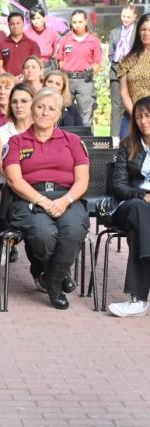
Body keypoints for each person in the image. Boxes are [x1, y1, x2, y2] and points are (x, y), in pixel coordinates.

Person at [3, 88, 89, 310]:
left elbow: (82, 180)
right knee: (44, 233)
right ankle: (59, 274)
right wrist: (42, 200)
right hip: (28, 198)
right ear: (32, 109)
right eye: (40, 107)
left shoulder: (72, 140)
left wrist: (65, 201)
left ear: (59, 113)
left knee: (73, 230)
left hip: (66, 197)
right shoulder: (16, 142)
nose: (44, 112)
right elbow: (14, 180)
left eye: (51, 108)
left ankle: (51, 279)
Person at [107, 95, 150, 317]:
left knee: (139, 229)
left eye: (148, 116)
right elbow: (119, 186)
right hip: (127, 206)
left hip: (141, 221)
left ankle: (138, 299)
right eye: (139, 116)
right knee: (138, 209)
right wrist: (143, 194)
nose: (143, 121)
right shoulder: (128, 145)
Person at [56, 9, 102, 127]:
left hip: (85, 81)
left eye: (80, 22)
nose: (77, 25)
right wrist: (65, 74)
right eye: (74, 22)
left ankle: (87, 143)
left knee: (86, 116)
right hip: (67, 81)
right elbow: (60, 59)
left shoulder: (94, 41)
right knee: (64, 114)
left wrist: (90, 73)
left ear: (86, 21)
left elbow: (97, 63)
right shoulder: (65, 40)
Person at [0, 83, 34, 180]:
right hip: (9, 187)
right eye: (14, 102)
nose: (18, 106)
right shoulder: (1, 133)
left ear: (34, 103)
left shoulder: (42, 130)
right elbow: (3, 169)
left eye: (24, 101)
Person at [119, 12, 150, 141]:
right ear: (138, 32)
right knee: (127, 156)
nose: (146, 33)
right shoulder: (128, 59)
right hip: (131, 116)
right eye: (143, 29)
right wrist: (137, 116)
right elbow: (124, 92)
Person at [109, 4, 137, 145]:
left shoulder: (139, 32)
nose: (125, 19)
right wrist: (119, 71)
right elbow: (110, 55)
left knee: (133, 106)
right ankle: (114, 140)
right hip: (116, 76)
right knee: (116, 107)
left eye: (128, 16)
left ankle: (133, 138)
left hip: (134, 77)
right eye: (123, 16)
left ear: (134, 17)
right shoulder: (114, 32)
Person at [0, 12, 40, 78]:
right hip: (7, 83)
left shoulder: (32, 45)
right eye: (12, 24)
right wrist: (12, 79)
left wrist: (22, 78)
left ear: (23, 24)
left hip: (27, 82)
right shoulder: (0, 45)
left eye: (18, 23)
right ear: (8, 25)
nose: (15, 26)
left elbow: (36, 66)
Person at [25, 6, 60, 73]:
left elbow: (56, 54)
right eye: (33, 19)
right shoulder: (26, 34)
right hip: (31, 69)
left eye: (38, 18)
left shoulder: (53, 33)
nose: (36, 21)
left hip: (48, 68)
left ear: (44, 18)